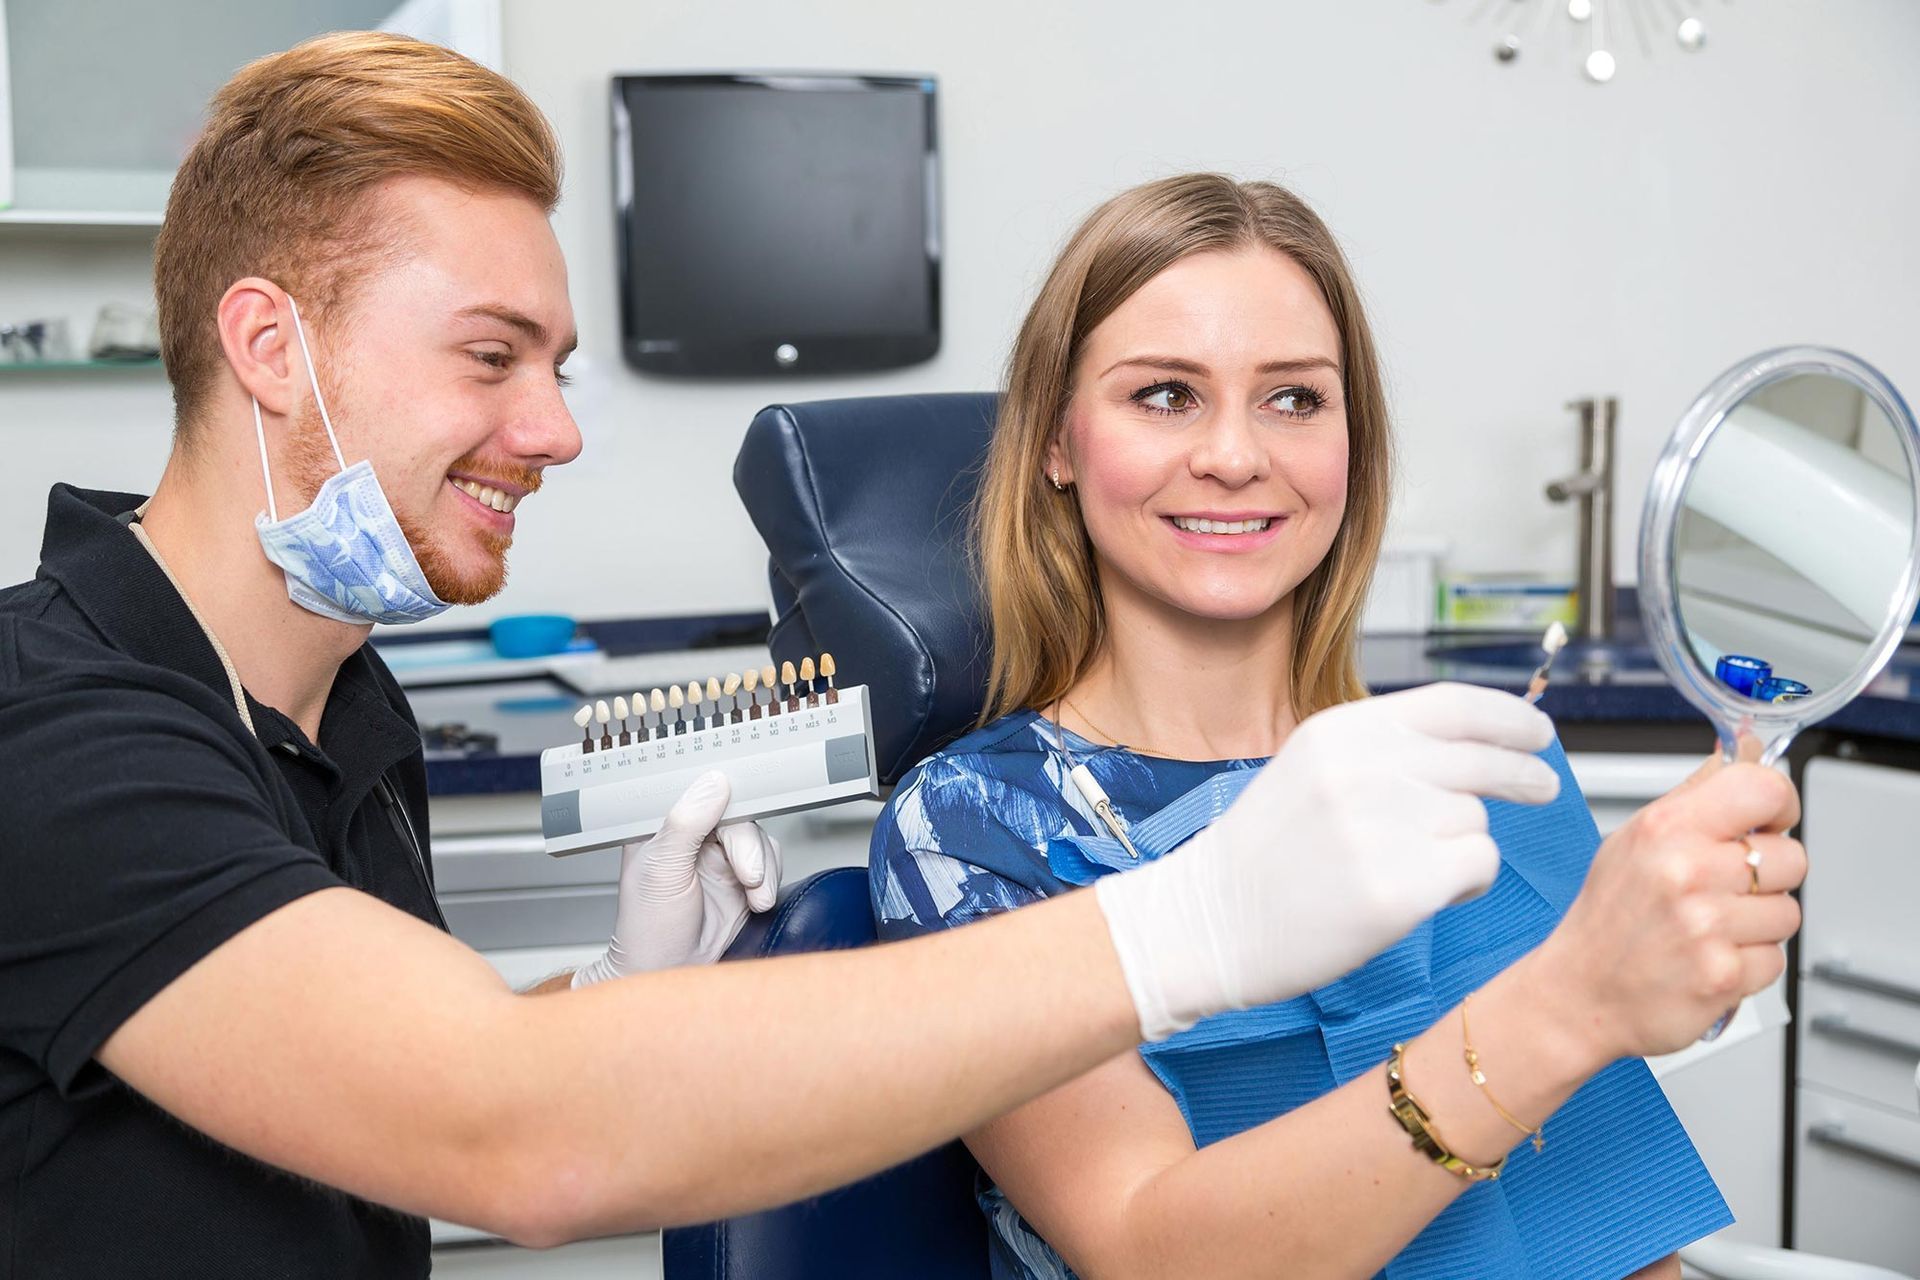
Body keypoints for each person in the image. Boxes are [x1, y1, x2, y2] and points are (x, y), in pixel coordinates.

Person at [0, 37, 1568, 1278]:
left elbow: (351, 1103)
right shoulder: (51, 729)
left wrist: (603, 997)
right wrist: (1193, 925)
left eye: (556, 367)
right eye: (492, 357)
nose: (553, 431)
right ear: (269, 347)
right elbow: (503, 1135)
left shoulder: (338, 708)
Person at [870, 173, 1807, 1280]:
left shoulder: (1475, 763)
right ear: (1057, 442)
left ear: (1351, 445)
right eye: (1165, 394)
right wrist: (1570, 1003)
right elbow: (1147, 1248)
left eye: (1294, 399)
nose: (1234, 455)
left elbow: (1613, 1231)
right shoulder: (974, 831)